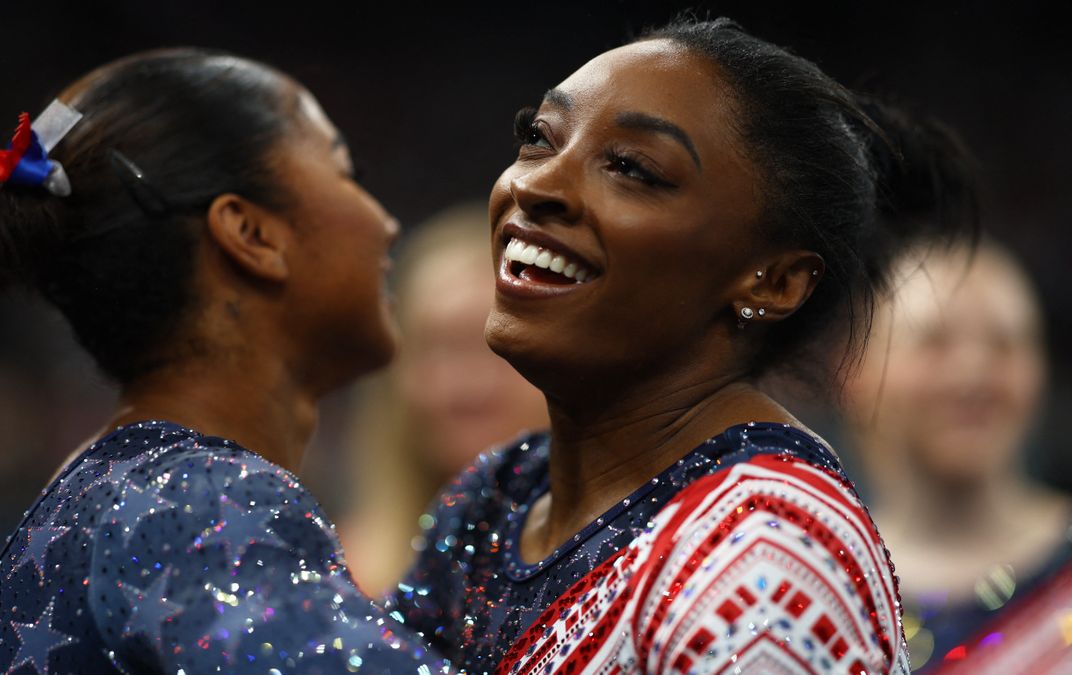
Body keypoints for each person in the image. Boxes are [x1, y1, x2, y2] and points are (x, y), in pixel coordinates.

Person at [389, 18, 972, 674]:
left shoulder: (763, 561)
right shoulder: (498, 497)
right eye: (538, 138)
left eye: (632, 168)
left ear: (773, 281)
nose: (536, 186)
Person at [0, 49, 446, 674]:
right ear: (251, 234)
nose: (387, 223)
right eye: (349, 172)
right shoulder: (191, 503)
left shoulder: (111, 491)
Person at [844, 241, 1072, 672]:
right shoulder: (825, 584)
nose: (972, 374)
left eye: (1005, 343)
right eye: (934, 342)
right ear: (857, 372)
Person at [338, 203, 548, 595]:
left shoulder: (614, 563)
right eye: (438, 349)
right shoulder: (340, 578)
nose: (467, 385)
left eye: (496, 350)